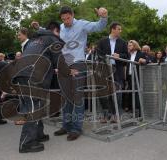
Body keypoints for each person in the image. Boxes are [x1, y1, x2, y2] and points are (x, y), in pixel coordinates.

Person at [15, 24, 78, 153]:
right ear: (56, 31)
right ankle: (26, 143)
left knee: (35, 105)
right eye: (60, 33)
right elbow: (59, 60)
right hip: (33, 77)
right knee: (34, 108)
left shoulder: (34, 40)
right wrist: (68, 71)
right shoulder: (53, 39)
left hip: (21, 74)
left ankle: (38, 135)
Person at [52, 6, 108, 141]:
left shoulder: (82, 24)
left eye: (68, 18)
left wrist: (103, 17)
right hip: (65, 65)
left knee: (77, 96)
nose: (66, 21)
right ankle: (66, 125)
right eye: (63, 19)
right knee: (65, 97)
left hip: (78, 63)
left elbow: (98, 27)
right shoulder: (61, 28)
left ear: (72, 15)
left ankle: (76, 128)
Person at [96, 21, 128, 123]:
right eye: (119, 29)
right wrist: (105, 59)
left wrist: (119, 56)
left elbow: (126, 56)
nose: (120, 31)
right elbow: (98, 55)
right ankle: (106, 115)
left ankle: (116, 115)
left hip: (117, 70)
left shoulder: (123, 42)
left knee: (117, 94)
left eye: (120, 29)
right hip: (105, 70)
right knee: (104, 94)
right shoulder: (102, 41)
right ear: (113, 29)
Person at [125, 40, 146, 113]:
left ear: (135, 46)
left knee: (137, 94)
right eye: (128, 45)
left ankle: (141, 112)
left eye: (130, 45)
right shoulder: (128, 54)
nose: (128, 46)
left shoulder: (141, 53)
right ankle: (132, 110)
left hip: (138, 76)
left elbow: (148, 60)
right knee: (131, 93)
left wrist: (144, 60)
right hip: (130, 76)